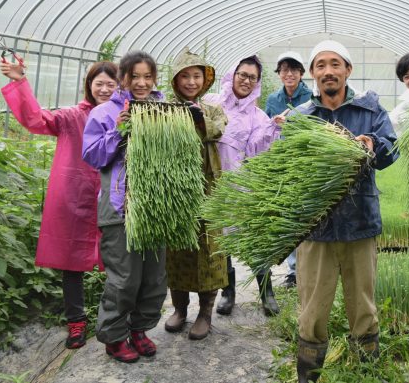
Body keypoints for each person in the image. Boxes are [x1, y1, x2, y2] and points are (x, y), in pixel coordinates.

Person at [292, 40, 398, 382]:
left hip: (360, 223)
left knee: (363, 306)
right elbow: (287, 169)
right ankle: (309, 375)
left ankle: (365, 371)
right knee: (312, 308)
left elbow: (391, 150)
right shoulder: (301, 117)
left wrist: (372, 144)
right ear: (312, 73)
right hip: (316, 227)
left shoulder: (369, 110)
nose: (328, 71)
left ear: (348, 70)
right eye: (320, 65)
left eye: (335, 64)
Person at [0, 58, 117, 350]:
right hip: (76, 196)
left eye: (110, 84)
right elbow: (36, 119)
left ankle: (114, 317)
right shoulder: (73, 117)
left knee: (118, 261)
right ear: (89, 86)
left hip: (114, 198)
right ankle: (76, 322)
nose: (104, 89)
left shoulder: (124, 116)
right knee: (71, 262)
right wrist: (19, 81)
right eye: (99, 83)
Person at [82, 51, 167, 363]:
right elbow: (92, 156)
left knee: (154, 277)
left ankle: (139, 329)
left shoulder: (163, 111)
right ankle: (115, 336)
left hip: (156, 207)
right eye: (135, 76)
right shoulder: (105, 112)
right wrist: (117, 130)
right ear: (122, 78)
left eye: (148, 76)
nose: (142, 83)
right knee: (124, 278)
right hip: (120, 207)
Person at [204, 55, 283, 317]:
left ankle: (266, 291)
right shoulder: (211, 102)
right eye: (242, 74)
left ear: (257, 82)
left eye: (252, 77)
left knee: (252, 239)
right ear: (232, 74)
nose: (246, 81)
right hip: (212, 183)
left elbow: (256, 152)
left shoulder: (258, 116)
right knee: (221, 239)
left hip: (241, 186)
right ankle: (228, 291)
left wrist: (272, 129)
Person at [163, 50, 229, 340]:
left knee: (207, 248)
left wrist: (198, 117)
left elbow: (216, 131)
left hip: (207, 188)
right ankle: (179, 309)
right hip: (177, 188)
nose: (191, 82)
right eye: (185, 76)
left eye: (197, 76)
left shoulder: (213, 109)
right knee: (177, 246)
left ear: (205, 80)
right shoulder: (165, 108)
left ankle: (205, 313)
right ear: (175, 80)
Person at [263, 51, 312, 288]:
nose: (289, 74)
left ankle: (308, 267)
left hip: (306, 161)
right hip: (281, 162)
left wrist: (291, 123)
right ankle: (293, 271)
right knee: (288, 213)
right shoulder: (273, 99)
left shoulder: (312, 97)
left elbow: (318, 127)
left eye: (293, 69)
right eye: (284, 69)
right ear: (279, 74)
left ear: (301, 73)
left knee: (306, 213)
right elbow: (265, 130)